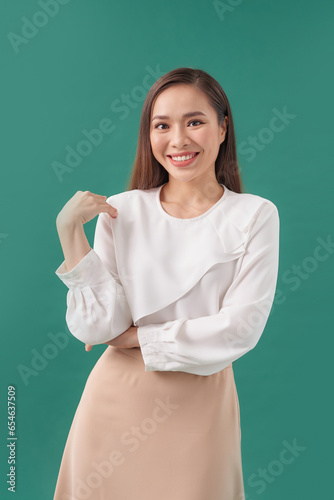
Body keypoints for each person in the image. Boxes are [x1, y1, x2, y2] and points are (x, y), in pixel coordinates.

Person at [53, 67, 280, 500]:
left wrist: (136, 337)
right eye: (162, 125)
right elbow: (98, 328)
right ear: (149, 134)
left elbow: (240, 329)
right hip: (113, 402)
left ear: (222, 127)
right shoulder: (122, 211)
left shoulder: (254, 215)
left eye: (194, 121)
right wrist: (69, 234)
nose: (178, 140)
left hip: (201, 405)